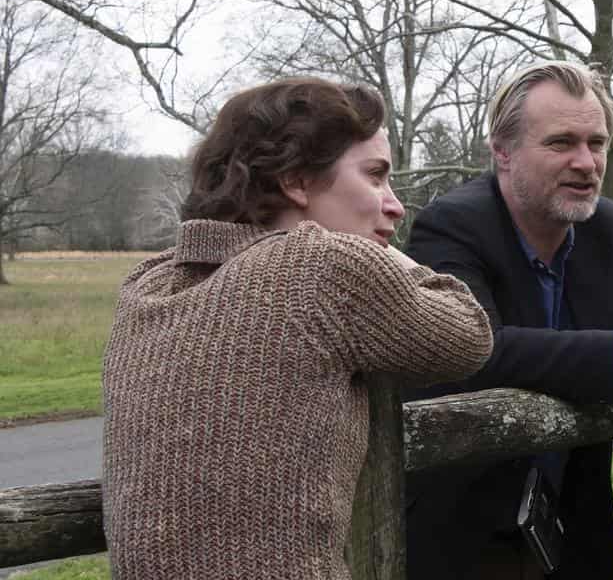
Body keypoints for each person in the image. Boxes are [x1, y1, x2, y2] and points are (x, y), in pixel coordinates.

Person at [101, 78, 494, 580]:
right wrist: (384, 253)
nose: (394, 204)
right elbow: (468, 334)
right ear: (297, 181)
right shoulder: (314, 266)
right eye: (375, 177)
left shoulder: (147, 284)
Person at [403, 60, 613, 579]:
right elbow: (481, 351)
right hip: (465, 534)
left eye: (597, 142)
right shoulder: (452, 226)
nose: (587, 163)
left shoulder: (604, 227)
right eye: (561, 143)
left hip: (571, 533)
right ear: (503, 150)